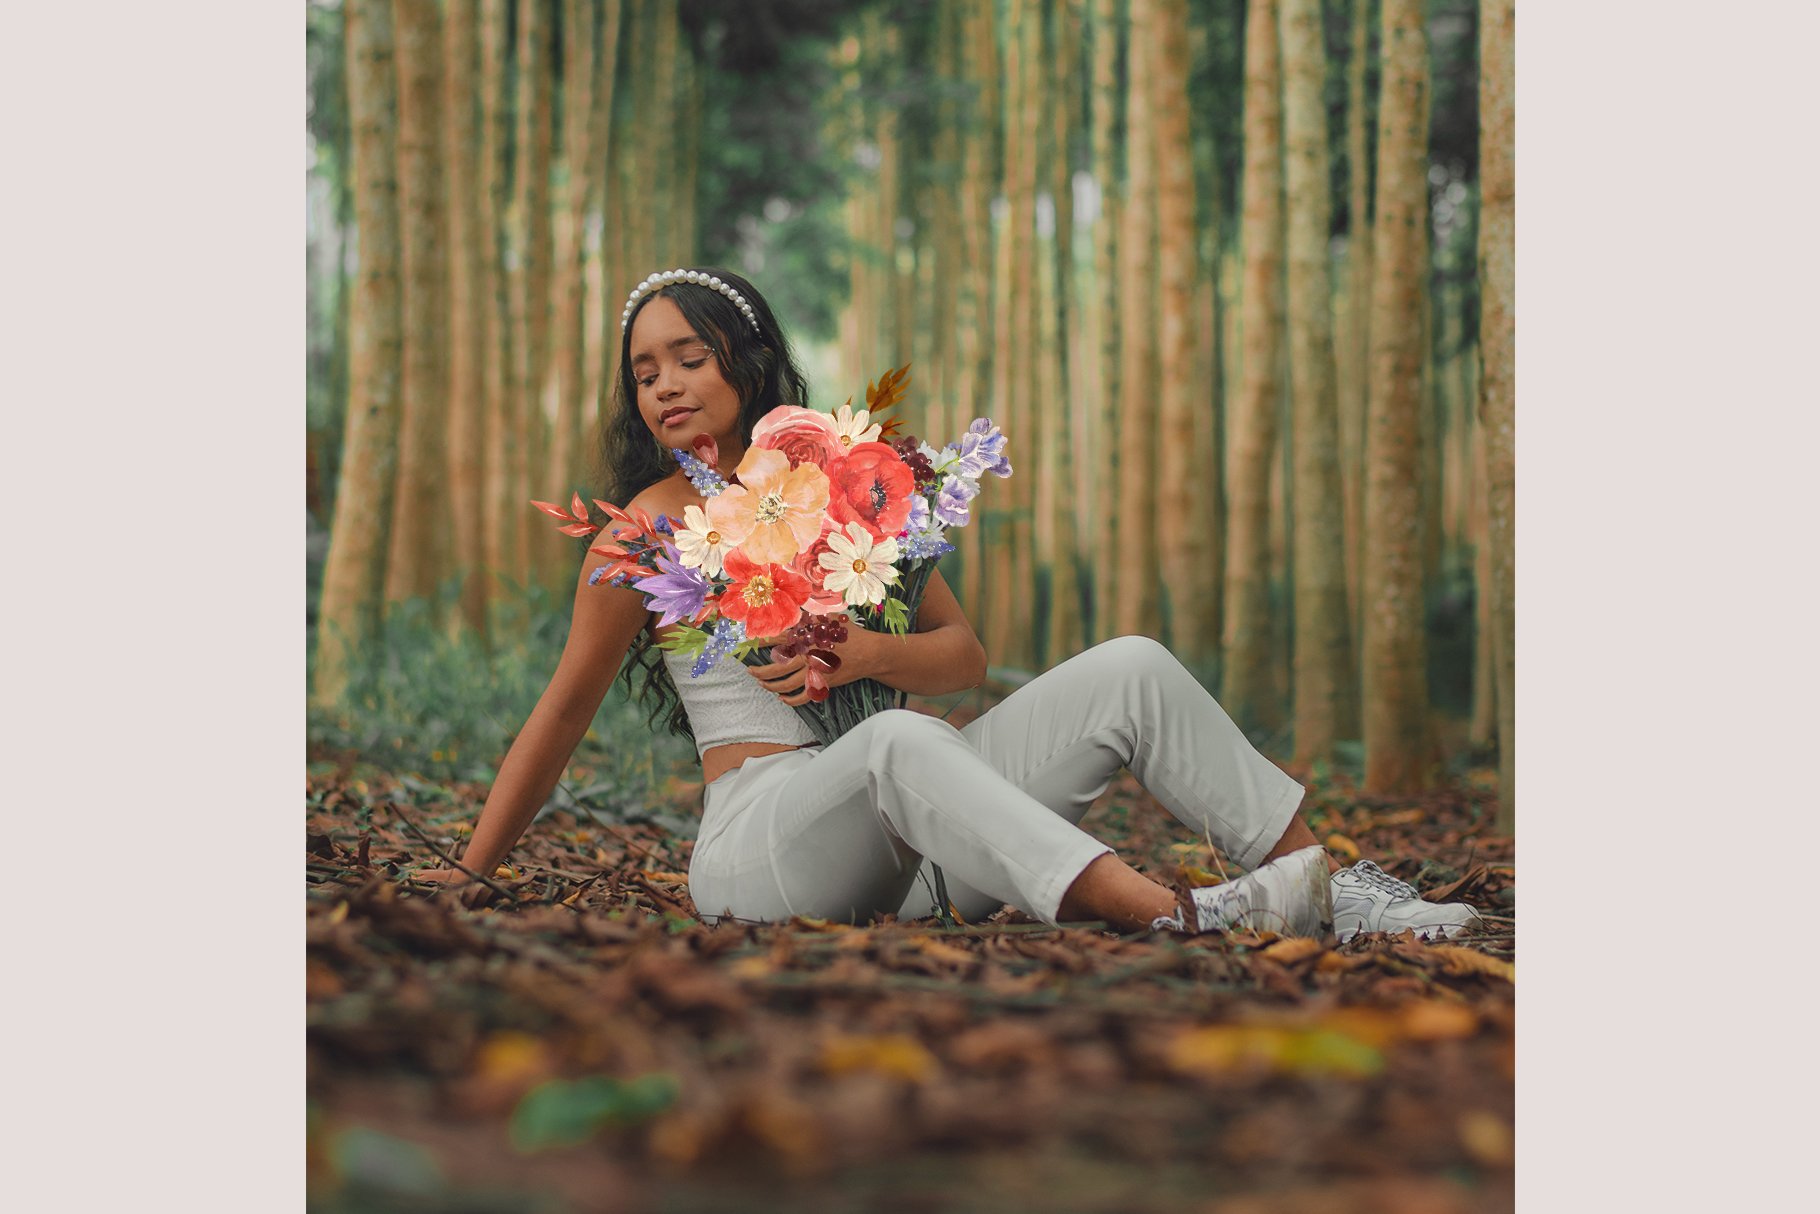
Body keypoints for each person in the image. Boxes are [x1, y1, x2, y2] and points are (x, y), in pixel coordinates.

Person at [419, 266, 1481, 943]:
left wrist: (866, 655)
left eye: (688, 357)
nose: (664, 385)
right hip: (766, 847)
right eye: (643, 372)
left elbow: (962, 654)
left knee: (1129, 664)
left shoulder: (845, 482)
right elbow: (560, 713)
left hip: (919, 851)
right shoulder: (639, 531)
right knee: (899, 748)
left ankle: (1330, 888)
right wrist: (468, 874)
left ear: (742, 360)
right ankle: (1178, 916)